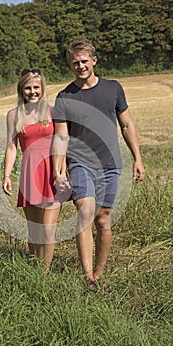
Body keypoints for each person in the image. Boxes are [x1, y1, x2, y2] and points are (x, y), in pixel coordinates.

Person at [52, 39, 145, 290]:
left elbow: (126, 125)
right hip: (80, 163)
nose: (80, 66)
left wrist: (137, 158)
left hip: (110, 164)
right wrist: (58, 171)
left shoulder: (113, 88)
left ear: (94, 60)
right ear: (70, 66)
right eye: (75, 63)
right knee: (85, 212)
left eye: (84, 61)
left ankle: (100, 272)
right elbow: (61, 137)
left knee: (103, 220)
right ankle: (88, 276)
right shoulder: (64, 97)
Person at [2, 68, 64, 272]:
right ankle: (35, 268)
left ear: (42, 88)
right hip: (30, 174)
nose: (32, 91)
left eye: (36, 87)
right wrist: (7, 175)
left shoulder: (53, 112)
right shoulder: (14, 115)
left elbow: (63, 142)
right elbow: (12, 146)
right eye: (28, 88)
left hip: (51, 172)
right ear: (21, 89)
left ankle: (43, 275)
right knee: (34, 230)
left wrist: (62, 172)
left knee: (47, 229)